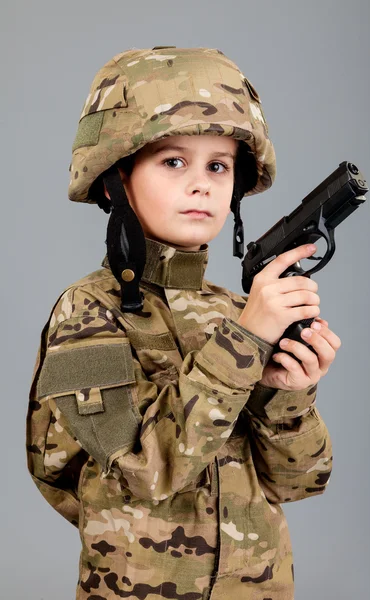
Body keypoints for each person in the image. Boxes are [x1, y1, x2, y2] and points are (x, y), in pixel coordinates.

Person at [26, 46, 340, 600]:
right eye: (174, 161)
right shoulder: (86, 310)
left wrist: (288, 393)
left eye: (218, 165)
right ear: (113, 181)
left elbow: (299, 483)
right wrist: (245, 342)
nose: (203, 184)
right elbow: (144, 471)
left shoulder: (234, 310)